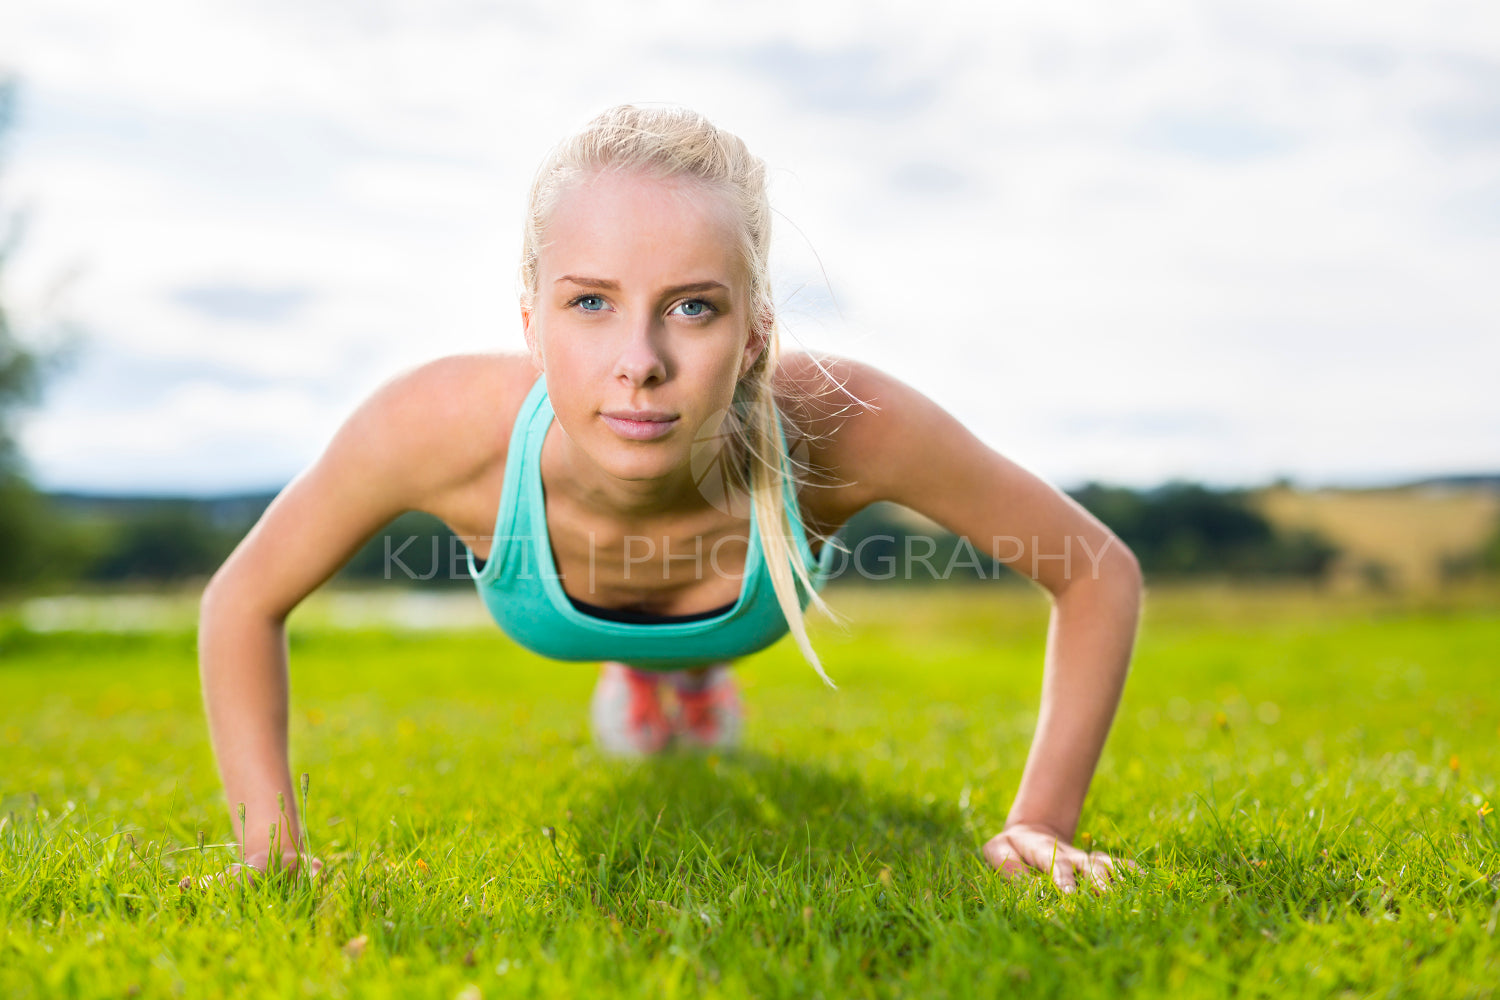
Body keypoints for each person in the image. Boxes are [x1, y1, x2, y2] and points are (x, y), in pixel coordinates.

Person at [195, 104, 1143, 894]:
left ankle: (685, 670)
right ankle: (657, 675)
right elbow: (241, 600)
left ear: (756, 333)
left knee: (690, 680)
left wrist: (1043, 826)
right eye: (591, 303)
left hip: (740, 611)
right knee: (658, 702)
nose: (638, 364)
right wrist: (271, 856)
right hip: (561, 608)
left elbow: (1097, 573)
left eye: (692, 306)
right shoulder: (432, 428)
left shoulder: (850, 423)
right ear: (531, 320)